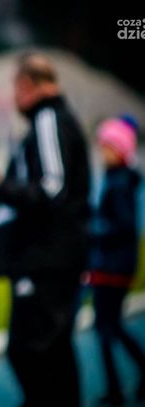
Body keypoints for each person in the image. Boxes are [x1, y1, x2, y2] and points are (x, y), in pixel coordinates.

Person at [0, 52, 91, 407]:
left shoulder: (49, 119)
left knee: (32, 350)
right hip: (52, 257)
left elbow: (53, 187)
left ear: (27, 85)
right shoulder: (51, 120)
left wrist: (0, 184)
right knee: (50, 350)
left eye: (16, 88)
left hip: (48, 259)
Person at [85, 116, 145, 405]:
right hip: (114, 263)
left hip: (112, 265)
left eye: (107, 147)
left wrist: (92, 229)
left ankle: (115, 389)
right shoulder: (118, 178)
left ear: (119, 149)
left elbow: (123, 226)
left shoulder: (119, 182)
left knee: (107, 327)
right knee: (110, 327)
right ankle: (117, 385)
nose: (102, 152)